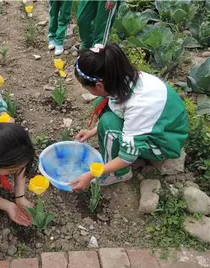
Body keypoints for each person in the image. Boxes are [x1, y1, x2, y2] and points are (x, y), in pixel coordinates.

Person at [69, 44, 188, 190]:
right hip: (157, 124)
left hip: (165, 142)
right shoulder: (122, 77)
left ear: (99, 86)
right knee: (102, 103)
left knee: (109, 124)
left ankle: (119, 173)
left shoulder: (139, 104)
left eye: (85, 87)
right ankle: (115, 153)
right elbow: (117, 107)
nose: (84, 89)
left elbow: (126, 157)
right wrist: (92, 131)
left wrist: (91, 174)